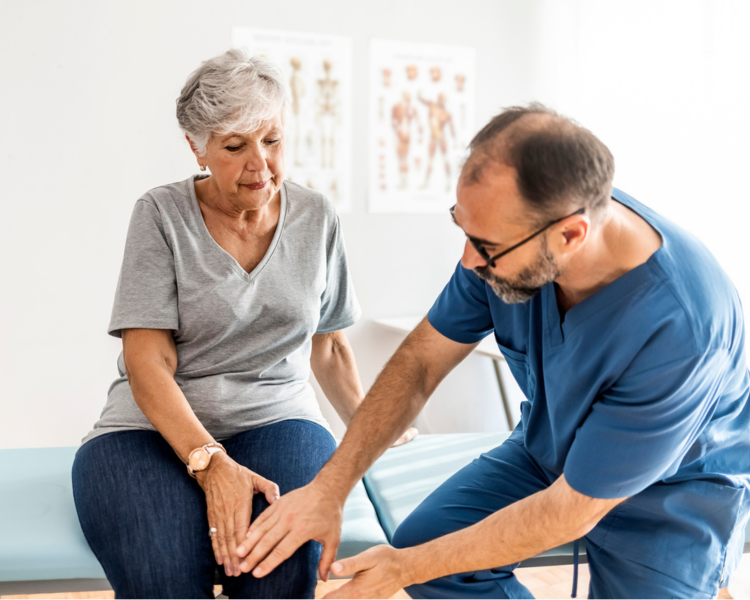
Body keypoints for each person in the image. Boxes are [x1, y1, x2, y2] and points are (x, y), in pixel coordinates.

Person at [236, 104, 750, 599]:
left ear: (570, 235)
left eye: (485, 247)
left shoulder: (682, 323)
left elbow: (572, 508)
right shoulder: (509, 240)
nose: (468, 259)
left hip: (670, 497)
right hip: (547, 453)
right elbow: (420, 363)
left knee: (420, 557)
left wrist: (402, 568)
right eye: (463, 227)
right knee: (426, 542)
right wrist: (332, 487)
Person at [71, 49, 415, 600]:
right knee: (165, 579)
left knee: (275, 577)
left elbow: (328, 348)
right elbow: (148, 360)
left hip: (279, 419)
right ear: (197, 148)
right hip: (149, 433)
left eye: (272, 140)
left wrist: (371, 427)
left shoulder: (317, 217)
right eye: (235, 147)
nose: (261, 165)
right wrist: (211, 465)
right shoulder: (160, 215)